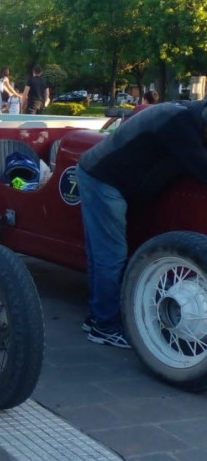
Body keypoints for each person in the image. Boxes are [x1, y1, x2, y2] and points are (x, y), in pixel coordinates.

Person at [77, 99, 207, 348]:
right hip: (103, 180)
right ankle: (104, 326)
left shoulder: (186, 114)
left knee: (100, 255)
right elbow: (201, 167)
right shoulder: (179, 122)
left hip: (99, 174)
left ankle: (96, 319)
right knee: (110, 255)